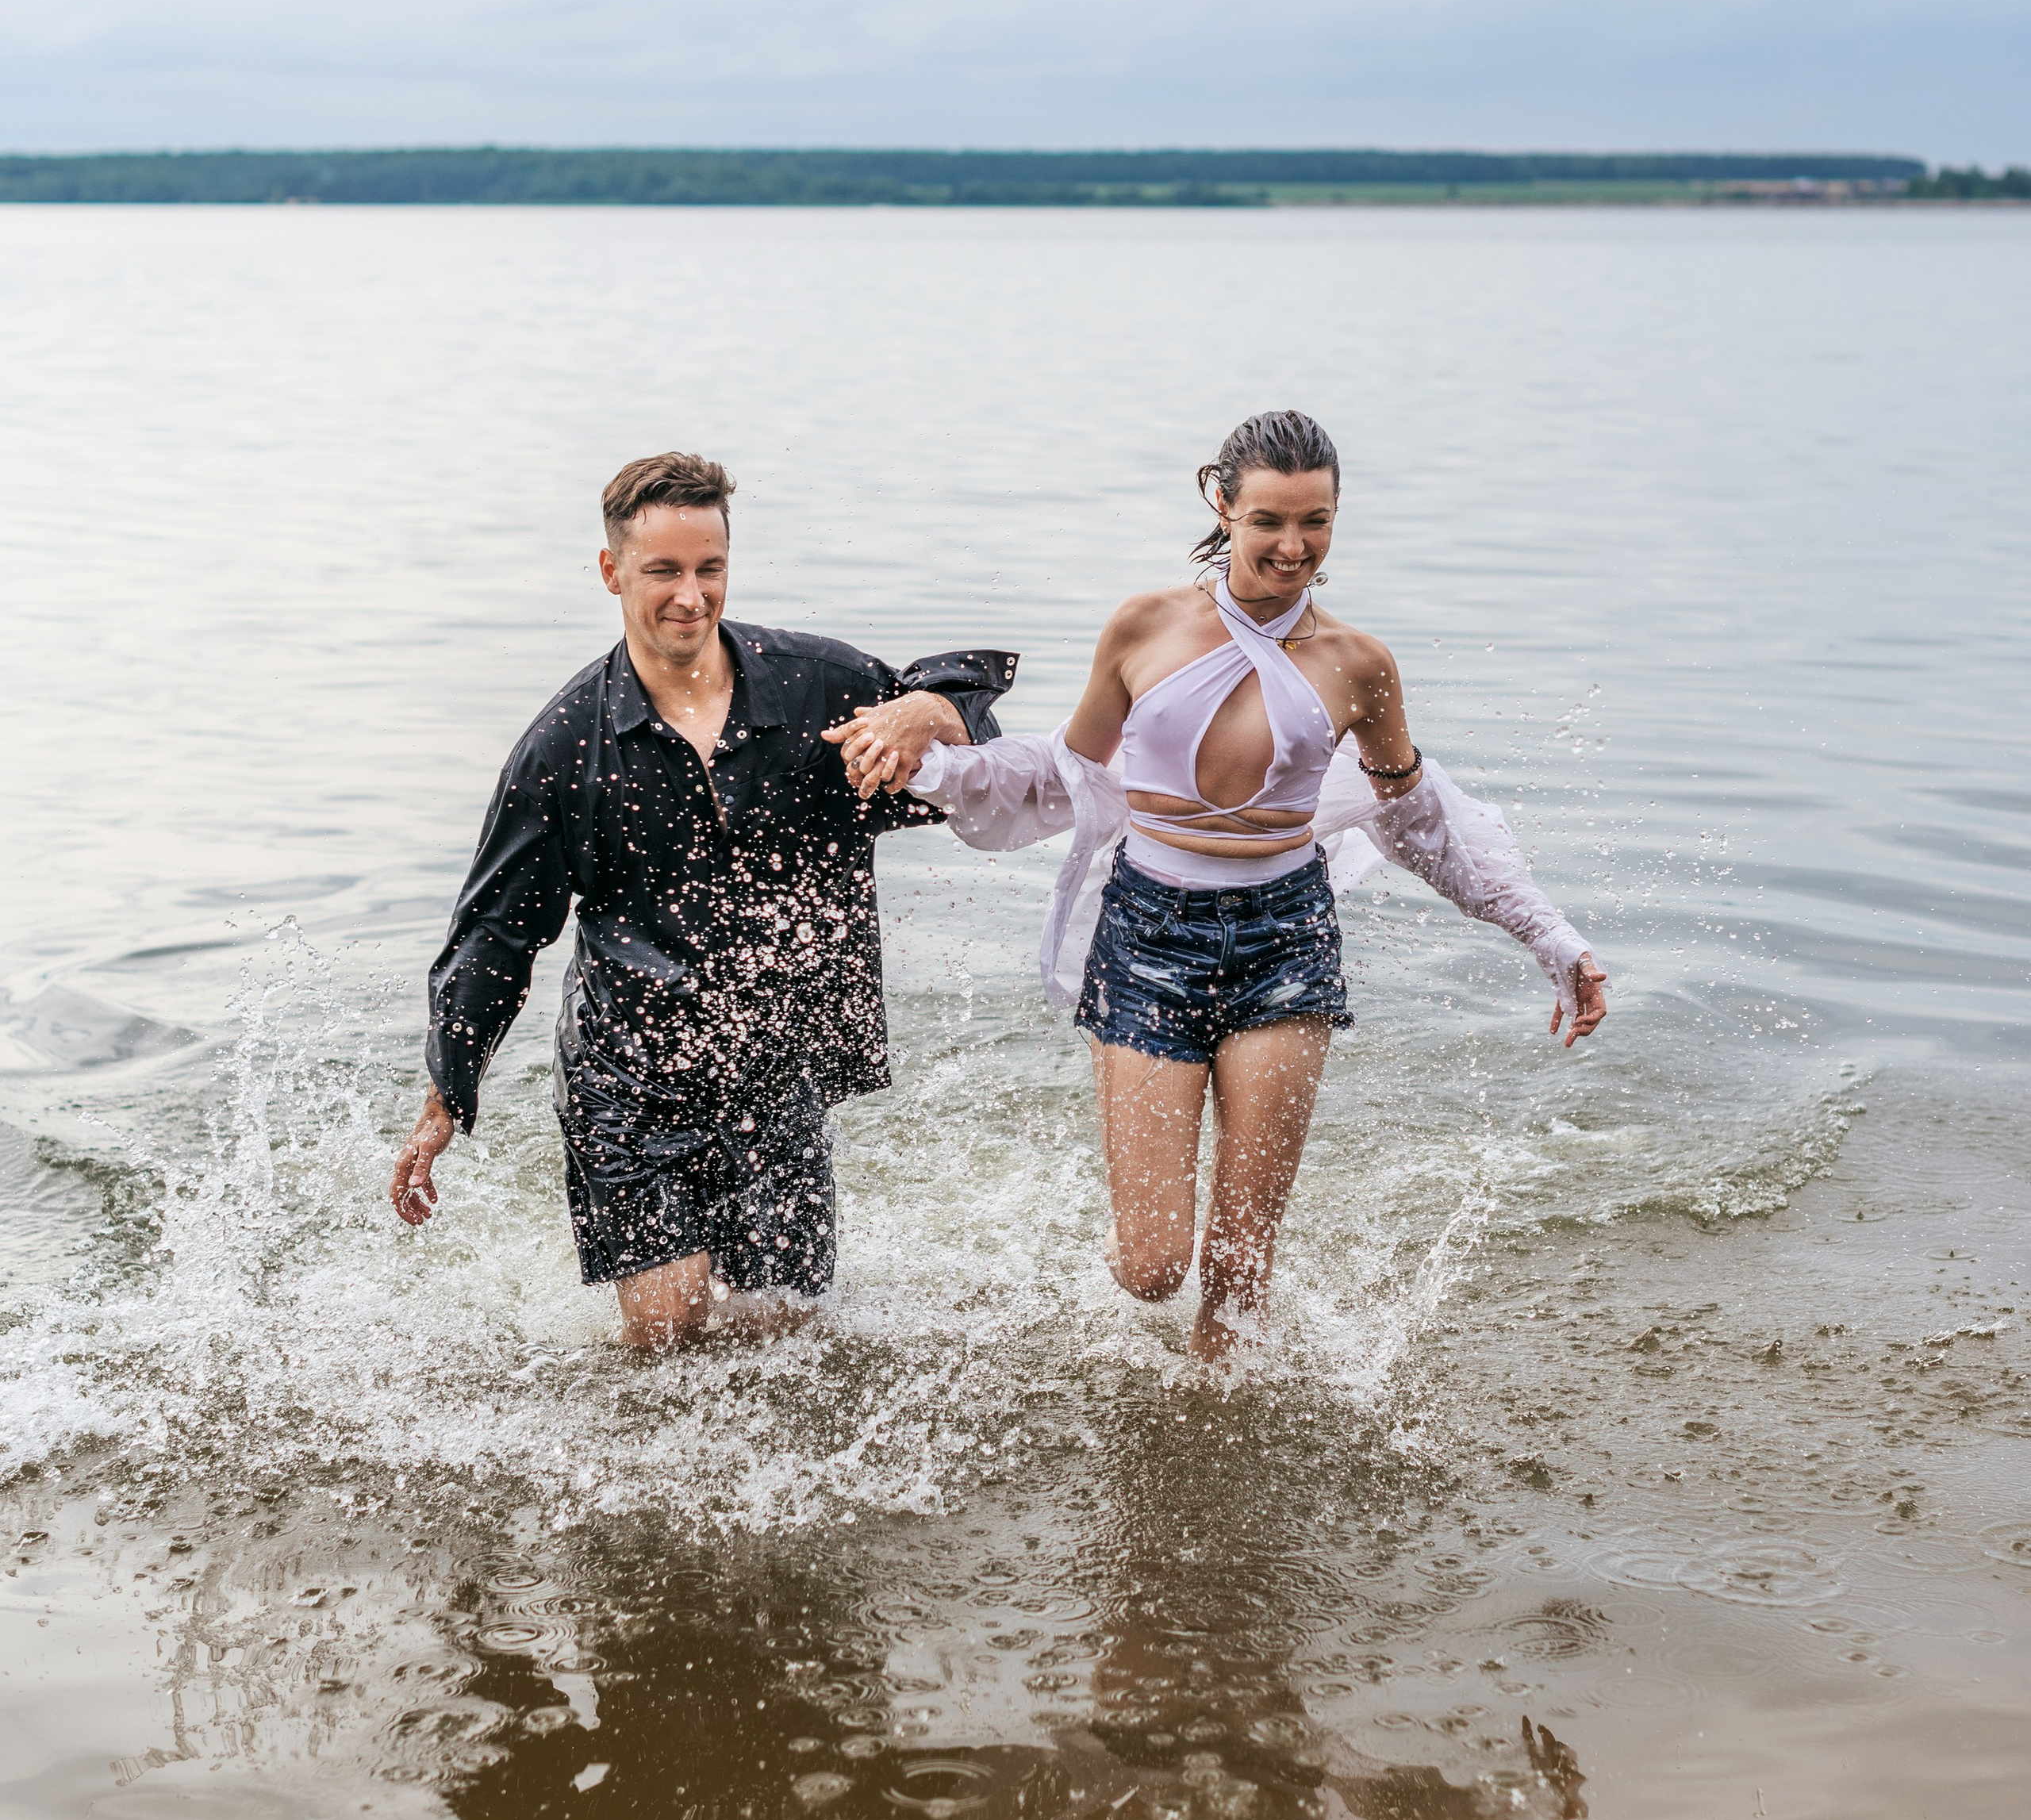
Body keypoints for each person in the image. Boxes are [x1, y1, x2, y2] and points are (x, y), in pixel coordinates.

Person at [893, 409, 1608, 1360]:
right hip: (1148, 936)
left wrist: (1549, 936)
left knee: (1238, 1275)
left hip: (1285, 939)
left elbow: (1423, 822)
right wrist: (939, 761)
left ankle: (1207, 1470)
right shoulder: (1144, 627)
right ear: (1218, 502)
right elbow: (1068, 776)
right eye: (1269, 519)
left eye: (1314, 522)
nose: (1292, 545)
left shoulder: (1360, 666)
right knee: (1154, 1267)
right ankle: (1133, 1232)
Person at [388, 451, 1013, 1348]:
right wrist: (447, 1092)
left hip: (775, 1065)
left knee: (781, 1336)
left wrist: (930, 711)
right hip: (628, 1075)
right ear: (611, 572)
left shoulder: (812, 688)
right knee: (670, 1329)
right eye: (664, 572)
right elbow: (496, 932)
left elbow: (970, 711)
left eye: (708, 569)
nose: (691, 595)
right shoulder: (564, 747)